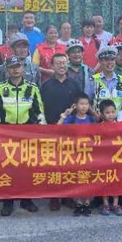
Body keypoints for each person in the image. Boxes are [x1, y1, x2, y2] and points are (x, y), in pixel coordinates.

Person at [0, 56, 45, 216]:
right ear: (7, 70)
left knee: (26, 168)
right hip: (6, 134)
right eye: (11, 67)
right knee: (7, 169)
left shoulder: (32, 88)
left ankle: (26, 200)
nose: (15, 70)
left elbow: (39, 111)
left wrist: (42, 129)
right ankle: (8, 201)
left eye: (18, 66)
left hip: (26, 134)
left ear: (23, 68)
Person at [40, 53, 81, 211]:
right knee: (53, 164)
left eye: (64, 63)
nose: (62, 66)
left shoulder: (74, 85)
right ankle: (54, 197)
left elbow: (80, 105)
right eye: (58, 63)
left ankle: (68, 196)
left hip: (71, 130)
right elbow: (40, 107)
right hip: (52, 129)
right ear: (52, 66)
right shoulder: (45, 85)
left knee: (69, 164)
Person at [57, 93, 97, 217]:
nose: (84, 106)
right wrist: (65, 115)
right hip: (75, 154)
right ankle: (78, 202)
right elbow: (58, 127)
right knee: (76, 178)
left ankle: (87, 202)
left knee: (89, 178)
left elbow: (100, 129)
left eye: (86, 104)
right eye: (81, 104)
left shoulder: (91, 119)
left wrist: (93, 110)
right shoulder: (71, 119)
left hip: (89, 153)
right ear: (76, 105)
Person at [98, 99, 122, 217]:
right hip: (104, 159)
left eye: (113, 112)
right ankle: (105, 204)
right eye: (107, 112)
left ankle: (115, 204)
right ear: (102, 114)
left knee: (116, 181)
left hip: (117, 158)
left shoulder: (119, 126)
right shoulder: (99, 127)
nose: (110, 115)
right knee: (105, 181)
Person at [88, 46, 122, 111]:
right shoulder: (93, 80)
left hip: (119, 117)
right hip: (99, 117)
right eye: (106, 60)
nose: (110, 62)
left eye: (112, 59)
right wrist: (95, 115)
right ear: (100, 62)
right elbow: (86, 102)